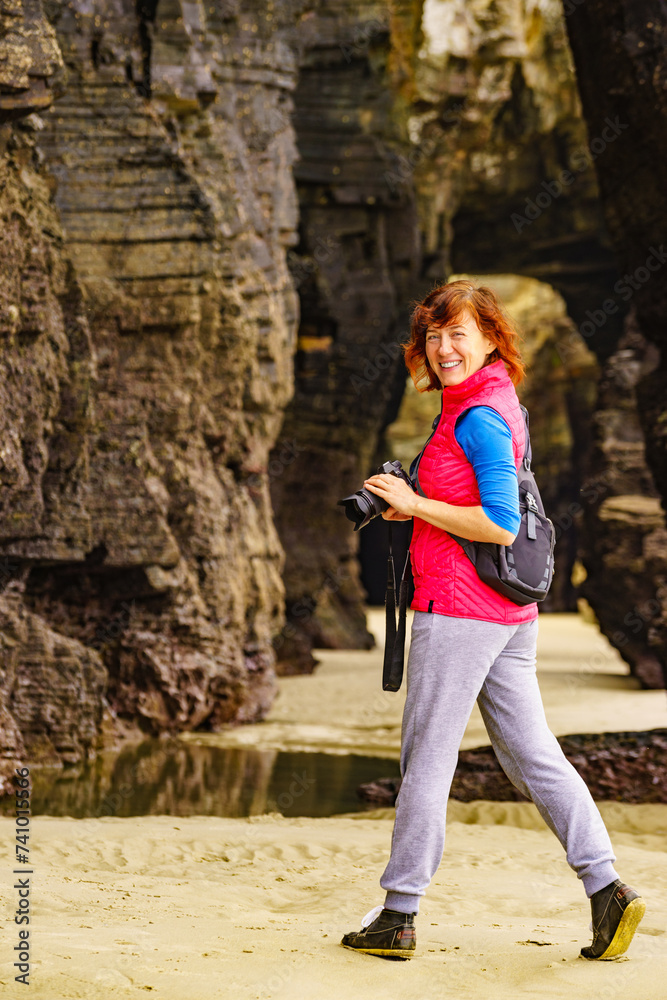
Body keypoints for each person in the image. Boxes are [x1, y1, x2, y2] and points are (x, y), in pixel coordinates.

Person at [341, 279, 645, 961]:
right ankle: (607, 890)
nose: (444, 347)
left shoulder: (477, 415)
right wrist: (411, 503)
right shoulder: (488, 399)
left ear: (488, 338)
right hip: (508, 609)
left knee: (426, 757)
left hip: (461, 609)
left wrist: (416, 507)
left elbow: (500, 525)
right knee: (528, 751)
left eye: (459, 334)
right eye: (433, 334)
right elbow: (473, 506)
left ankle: (397, 913)